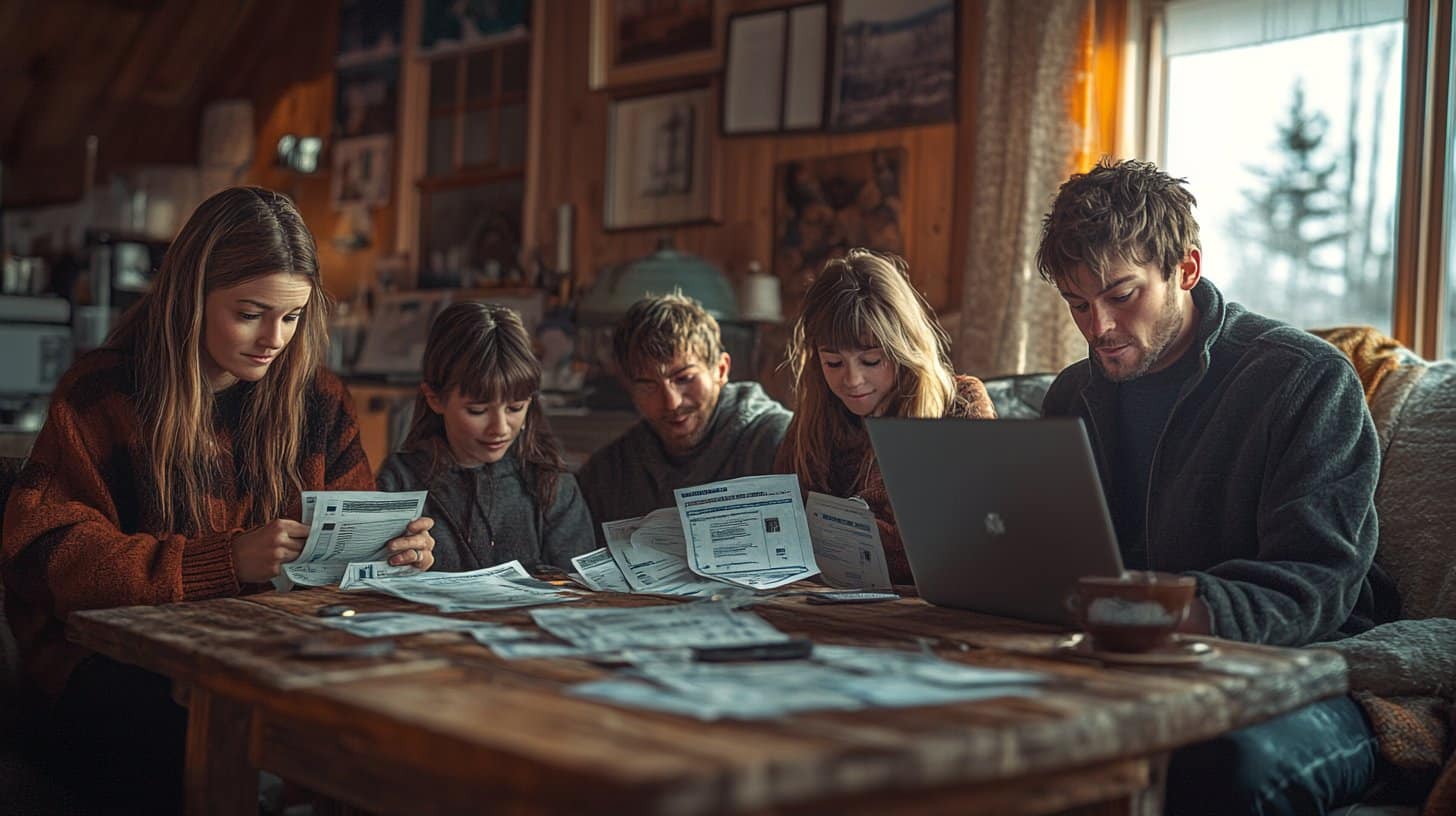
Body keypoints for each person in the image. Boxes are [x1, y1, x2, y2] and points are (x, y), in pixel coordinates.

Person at [0, 186, 436, 814]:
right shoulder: (102, 393)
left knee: (387, 716)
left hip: (270, 651)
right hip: (113, 668)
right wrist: (223, 561)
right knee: (192, 725)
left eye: (291, 317)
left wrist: (388, 555)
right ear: (190, 296)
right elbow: (45, 555)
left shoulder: (318, 399)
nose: (274, 339)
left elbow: (345, 537)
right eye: (251, 312)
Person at [1035, 158, 1400, 815]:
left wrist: (1162, 609)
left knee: (1216, 768)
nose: (1100, 329)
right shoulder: (1073, 395)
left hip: (1308, 675)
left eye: (1122, 294)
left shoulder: (1303, 379)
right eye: (1078, 305)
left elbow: (1318, 578)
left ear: (1187, 269)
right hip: (1132, 666)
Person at [775, 249, 996, 585]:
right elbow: (782, 528)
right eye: (833, 363)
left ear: (904, 349)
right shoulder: (814, 417)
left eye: (872, 361)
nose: (851, 381)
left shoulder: (961, 404)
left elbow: (978, 540)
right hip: (822, 602)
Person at [377, 302, 594, 571]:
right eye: (477, 410)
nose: (500, 428)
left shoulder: (550, 483)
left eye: (515, 408)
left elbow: (580, 590)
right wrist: (404, 566)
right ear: (435, 399)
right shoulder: (400, 481)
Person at [576, 293, 791, 536]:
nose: (671, 402)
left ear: (720, 370)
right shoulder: (607, 472)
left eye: (685, 379)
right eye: (648, 385)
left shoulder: (781, 443)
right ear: (629, 388)